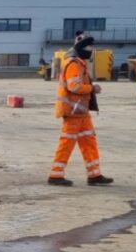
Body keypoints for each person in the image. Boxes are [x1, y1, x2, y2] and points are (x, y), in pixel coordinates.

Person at [48, 31, 114, 187]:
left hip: (81, 111)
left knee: (89, 141)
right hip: (73, 111)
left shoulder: (78, 62)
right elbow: (74, 86)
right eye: (90, 47)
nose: (92, 50)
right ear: (83, 48)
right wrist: (92, 88)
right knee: (67, 142)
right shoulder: (73, 63)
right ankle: (55, 175)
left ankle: (94, 175)